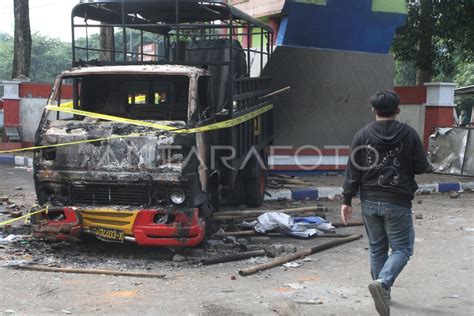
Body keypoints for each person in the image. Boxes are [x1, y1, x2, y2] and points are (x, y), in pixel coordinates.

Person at [341, 90, 431, 316]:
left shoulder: (362, 135)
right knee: (402, 248)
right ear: (398, 110)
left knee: (377, 248)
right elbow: (421, 166)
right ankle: (383, 283)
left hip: (369, 200)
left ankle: (383, 289)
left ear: (374, 111)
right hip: (397, 201)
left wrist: (346, 200)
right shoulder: (409, 134)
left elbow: (353, 171)